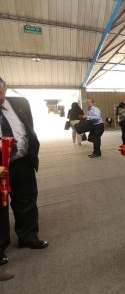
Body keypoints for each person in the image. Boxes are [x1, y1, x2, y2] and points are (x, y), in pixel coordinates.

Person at [0, 77, 48, 269]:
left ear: (5, 89)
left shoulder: (20, 103)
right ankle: (0, 247)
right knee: (0, 206)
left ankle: (28, 236)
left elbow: (29, 127)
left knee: (27, 199)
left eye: (1, 92)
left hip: (21, 162)